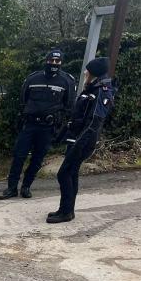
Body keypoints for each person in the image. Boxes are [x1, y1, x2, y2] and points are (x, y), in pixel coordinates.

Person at [47, 57, 116, 223]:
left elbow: (94, 122)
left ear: (93, 73)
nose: (85, 72)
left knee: (63, 173)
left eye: (88, 70)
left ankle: (66, 212)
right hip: (77, 138)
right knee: (71, 173)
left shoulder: (102, 91)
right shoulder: (93, 87)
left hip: (84, 140)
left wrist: (80, 143)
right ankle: (67, 210)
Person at [0, 49, 76, 200]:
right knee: (19, 156)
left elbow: (68, 105)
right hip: (29, 125)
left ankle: (26, 187)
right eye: (51, 61)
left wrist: (59, 123)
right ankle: (11, 188)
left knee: (37, 159)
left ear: (61, 63)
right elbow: (23, 100)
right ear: (46, 60)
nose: (54, 63)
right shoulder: (33, 78)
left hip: (48, 128)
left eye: (57, 61)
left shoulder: (67, 81)